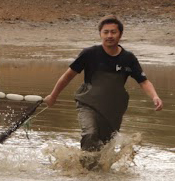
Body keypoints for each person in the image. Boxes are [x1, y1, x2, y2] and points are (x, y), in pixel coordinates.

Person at [43, 16, 163, 158]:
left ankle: (93, 169)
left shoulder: (128, 58)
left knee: (105, 147)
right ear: (100, 34)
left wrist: (155, 96)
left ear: (120, 34)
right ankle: (86, 172)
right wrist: (53, 96)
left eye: (113, 32)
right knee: (90, 134)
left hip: (112, 109)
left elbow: (143, 81)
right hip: (87, 104)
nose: (109, 36)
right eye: (105, 32)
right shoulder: (89, 54)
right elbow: (68, 76)